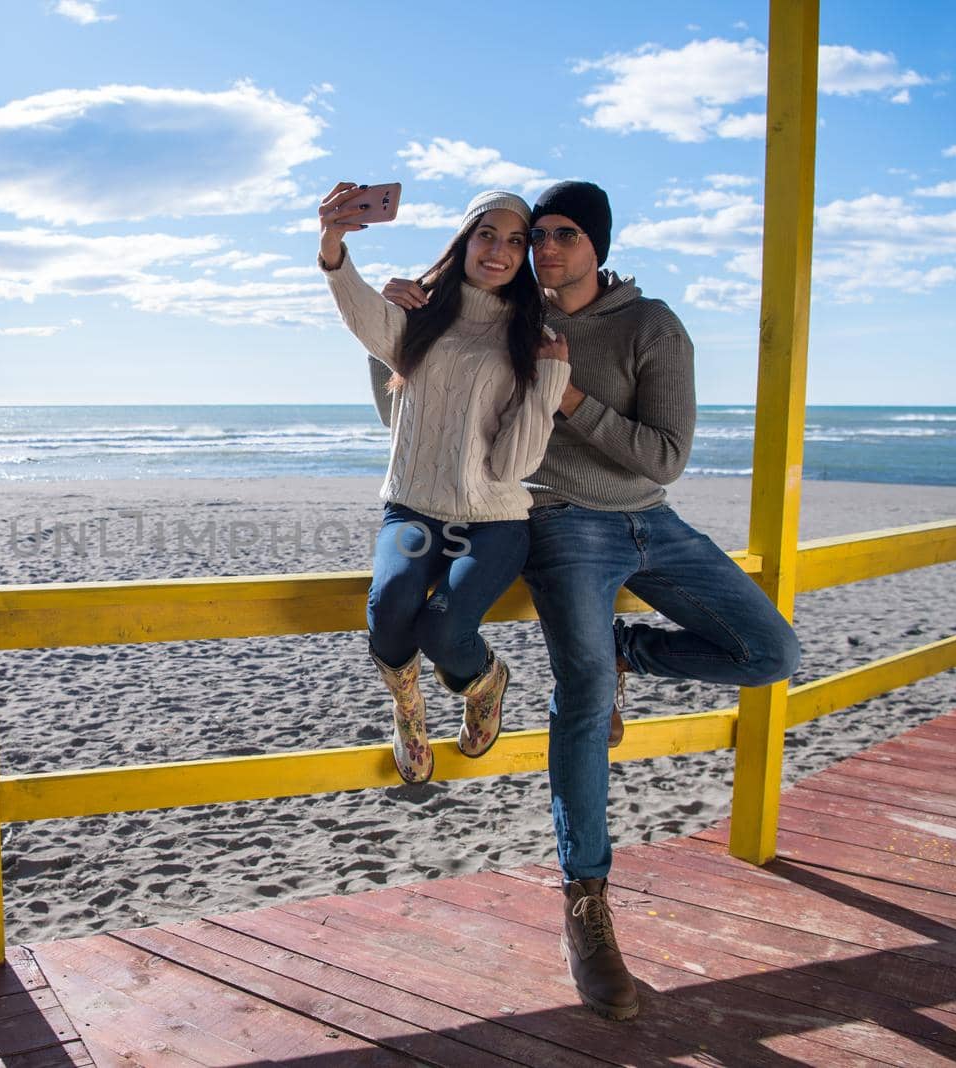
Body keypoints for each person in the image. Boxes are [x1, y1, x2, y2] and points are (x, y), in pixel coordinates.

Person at [381, 180, 801, 1021]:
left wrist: (568, 395)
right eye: (536, 235)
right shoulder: (505, 317)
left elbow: (665, 455)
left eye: (564, 234)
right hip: (562, 524)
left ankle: (629, 651)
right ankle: (587, 905)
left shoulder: (652, 326)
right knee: (580, 706)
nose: (543, 248)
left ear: (598, 245)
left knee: (772, 655)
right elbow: (415, 417)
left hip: (655, 522)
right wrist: (397, 330)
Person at [318, 183, 570, 786]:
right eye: (488, 235)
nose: (500, 252)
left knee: (444, 627)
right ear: (465, 241)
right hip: (412, 513)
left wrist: (549, 379)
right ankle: (408, 711)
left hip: (496, 522)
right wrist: (331, 244)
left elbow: (512, 467)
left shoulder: (528, 337)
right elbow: (359, 314)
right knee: (389, 604)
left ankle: (484, 682)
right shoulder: (417, 315)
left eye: (516, 241)